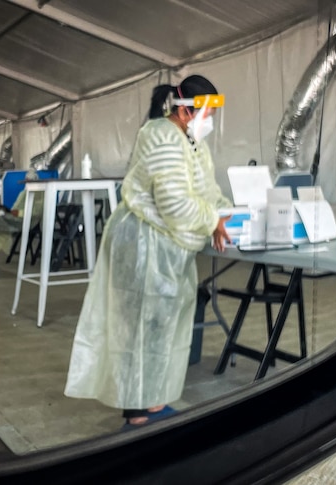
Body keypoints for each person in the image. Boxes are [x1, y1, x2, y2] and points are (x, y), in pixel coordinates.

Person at [64, 75, 232, 428]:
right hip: (144, 243)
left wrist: (227, 212)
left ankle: (153, 403)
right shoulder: (160, 137)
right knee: (140, 327)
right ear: (185, 112)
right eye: (205, 114)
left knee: (162, 327)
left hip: (169, 248)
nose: (210, 123)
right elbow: (174, 204)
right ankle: (136, 414)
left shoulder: (191, 142)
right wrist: (213, 219)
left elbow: (207, 190)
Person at [0, 167, 44, 257]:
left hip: (25, 220)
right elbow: (16, 207)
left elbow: (36, 211)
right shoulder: (24, 192)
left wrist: (19, 213)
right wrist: (9, 211)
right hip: (16, 216)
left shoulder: (40, 195)